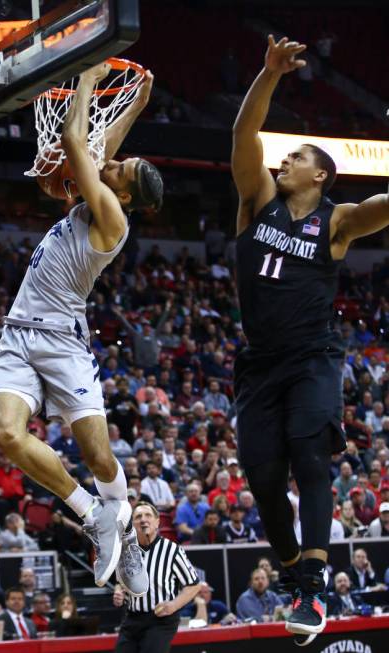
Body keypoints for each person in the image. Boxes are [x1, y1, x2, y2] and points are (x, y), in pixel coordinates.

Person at [231, 33, 389, 641]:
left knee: (310, 456)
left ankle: (317, 589)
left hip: (314, 356)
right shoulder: (257, 200)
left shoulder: (339, 221)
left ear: (320, 173)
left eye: (294, 156)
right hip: (259, 363)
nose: (282, 161)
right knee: (263, 477)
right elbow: (244, 136)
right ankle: (298, 575)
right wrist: (267, 75)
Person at [0, 61, 162, 594]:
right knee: (4, 434)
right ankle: (91, 512)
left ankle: (123, 530)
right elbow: (100, 148)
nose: (111, 164)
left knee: (98, 455)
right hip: (19, 333)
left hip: (63, 339)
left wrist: (88, 76)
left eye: (120, 169)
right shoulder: (105, 191)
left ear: (124, 194)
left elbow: (77, 139)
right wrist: (136, 103)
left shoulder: (111, 212)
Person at [113, 502, 200, 653]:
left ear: (157, 522)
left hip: (161, 620)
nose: (143, 519)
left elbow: (194, 585)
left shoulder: (172, 550)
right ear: (132, 524)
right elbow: (121, 583)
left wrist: (174, 605)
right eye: (138, 516)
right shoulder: (125, 551)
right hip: (132, 618)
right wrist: (119, 593)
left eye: (148, 515)